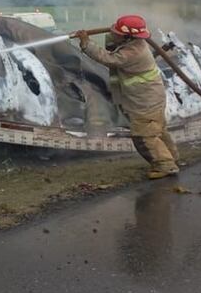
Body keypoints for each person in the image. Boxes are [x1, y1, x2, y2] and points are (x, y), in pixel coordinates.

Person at [75, 15, 179, 179]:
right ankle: (171, 157)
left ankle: (165, 165)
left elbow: (107, 58)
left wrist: (86, 43)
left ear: (128, 37)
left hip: (145, 101)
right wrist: (114, 31)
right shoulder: (135, 43)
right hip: (150, 96)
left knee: (144, 135)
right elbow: (114, 42)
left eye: (117, 32)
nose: (114, 34)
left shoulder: (132, 52)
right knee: (157, 130)